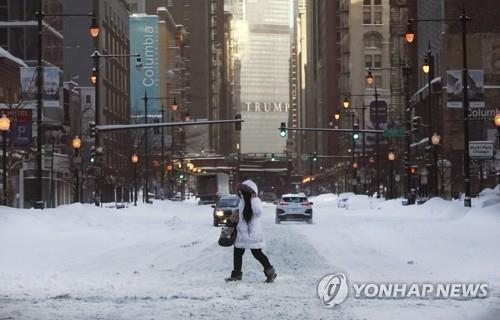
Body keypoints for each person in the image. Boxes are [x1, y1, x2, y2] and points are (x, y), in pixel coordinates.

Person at [225, 179, 277, 283]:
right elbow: (242, 215)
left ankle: (271, 272)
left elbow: (258, 213)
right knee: (238, 253)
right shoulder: (242, 201)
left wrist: (252, 200)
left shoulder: (255, 201)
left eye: (242, 191)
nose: (240, 192)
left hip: (252, 233)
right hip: (242, 233)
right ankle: (236, 275)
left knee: (257, 253)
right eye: (240, 191)